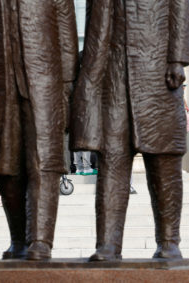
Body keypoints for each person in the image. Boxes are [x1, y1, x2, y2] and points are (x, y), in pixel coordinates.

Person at [70, 0, 189, 261]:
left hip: (157, 69)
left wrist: (178, 58)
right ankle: (108, 244)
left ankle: (169, 241)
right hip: (111, 73)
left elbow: (180, 5)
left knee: (164, 160)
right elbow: (93, 21)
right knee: (111, 160)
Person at [0, 0, 78, 260]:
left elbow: (66, 34)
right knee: (6, 166)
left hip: (45, 82)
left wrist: (68, 86)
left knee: (44, 164)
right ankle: (18, 239)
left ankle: (40, 240)